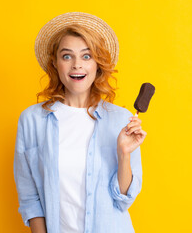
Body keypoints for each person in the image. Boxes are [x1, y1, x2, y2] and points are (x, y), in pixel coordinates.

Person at [13, 12, 147, 233]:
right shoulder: (31, 121)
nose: (77, 65)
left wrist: (124, 153)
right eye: (67, 56)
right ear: (55, 64)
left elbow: (123, 199)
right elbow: (29, 197)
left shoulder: (122, 121)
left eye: (86, 56)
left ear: (98, 64)